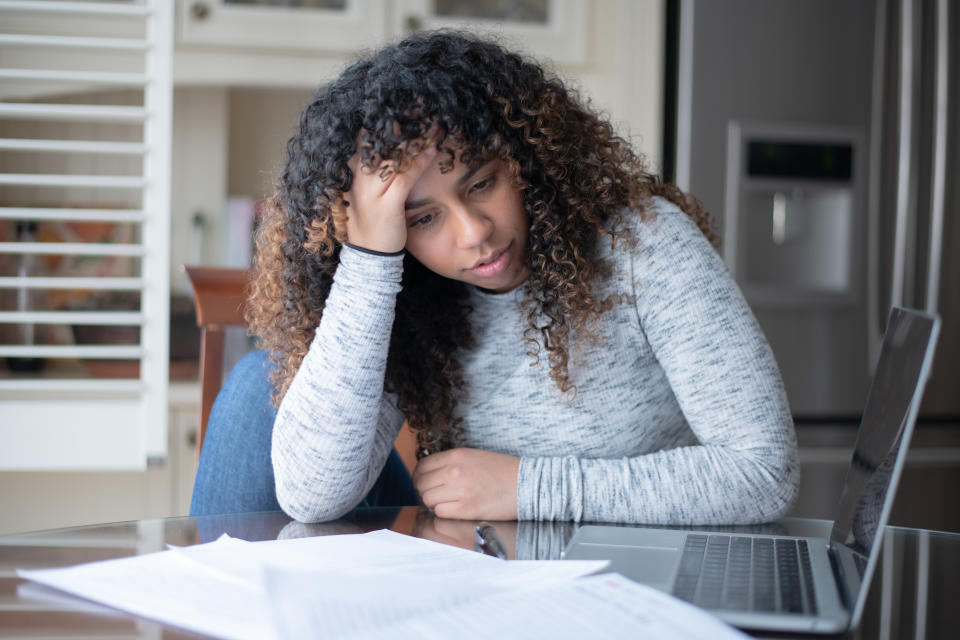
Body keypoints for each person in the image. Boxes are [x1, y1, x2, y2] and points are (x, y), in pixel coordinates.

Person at [244, 30, 799, 525]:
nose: (474, 233)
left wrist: (528, 487)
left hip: (629, 580)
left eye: (481, 184)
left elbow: (764, 472)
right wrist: (369, 263)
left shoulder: (645, 244)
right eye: (424, 219)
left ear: (524, 158)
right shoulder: (409, 294)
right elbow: (310, 495)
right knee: (252, 391)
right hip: (490, 580)